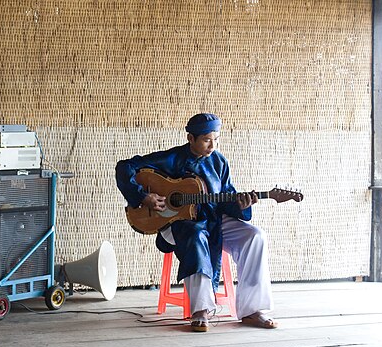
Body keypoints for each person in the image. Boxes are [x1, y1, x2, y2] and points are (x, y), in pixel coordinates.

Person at [115, 113, 277, 332]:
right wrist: (143, 197)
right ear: (191, 138)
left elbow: (226, 197)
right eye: (206, 140)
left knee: (255, 236)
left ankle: (252, 310)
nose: (212, 145)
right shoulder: (171, 158)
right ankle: (200, 310)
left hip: (212, 220)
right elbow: (124, 167)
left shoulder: (219, 162)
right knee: (195, 235)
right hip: (175, 223)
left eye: (216, 139)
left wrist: (241, 204)